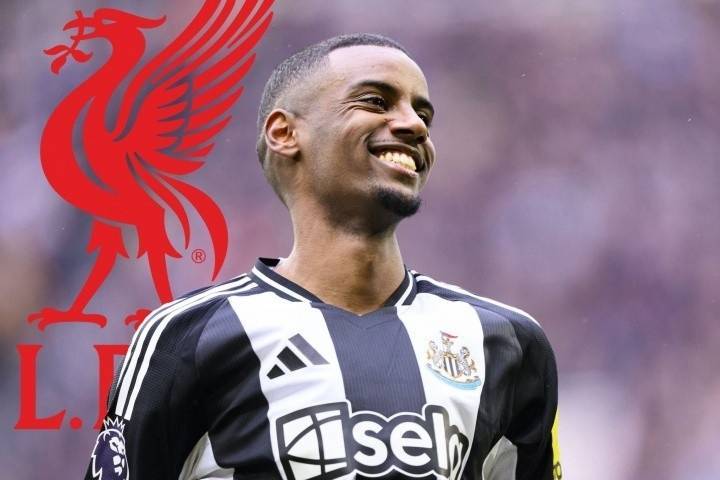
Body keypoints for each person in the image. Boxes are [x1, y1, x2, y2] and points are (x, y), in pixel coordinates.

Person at [85, 33, 561, 480]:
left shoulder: (506, 343)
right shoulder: (188, 338)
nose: (415, 125)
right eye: (376, 101)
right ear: (285, 133)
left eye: (423, 114)